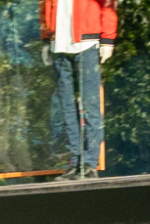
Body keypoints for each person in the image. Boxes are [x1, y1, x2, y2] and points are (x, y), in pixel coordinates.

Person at [44, 0, 114, 179]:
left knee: (90, 105)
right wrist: (46, 39)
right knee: (67, 107)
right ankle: (76, 162)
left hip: (86, 42)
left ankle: (89, 162)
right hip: (59, 44)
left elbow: (108, 5)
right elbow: (45, 5)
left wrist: (107, 39)